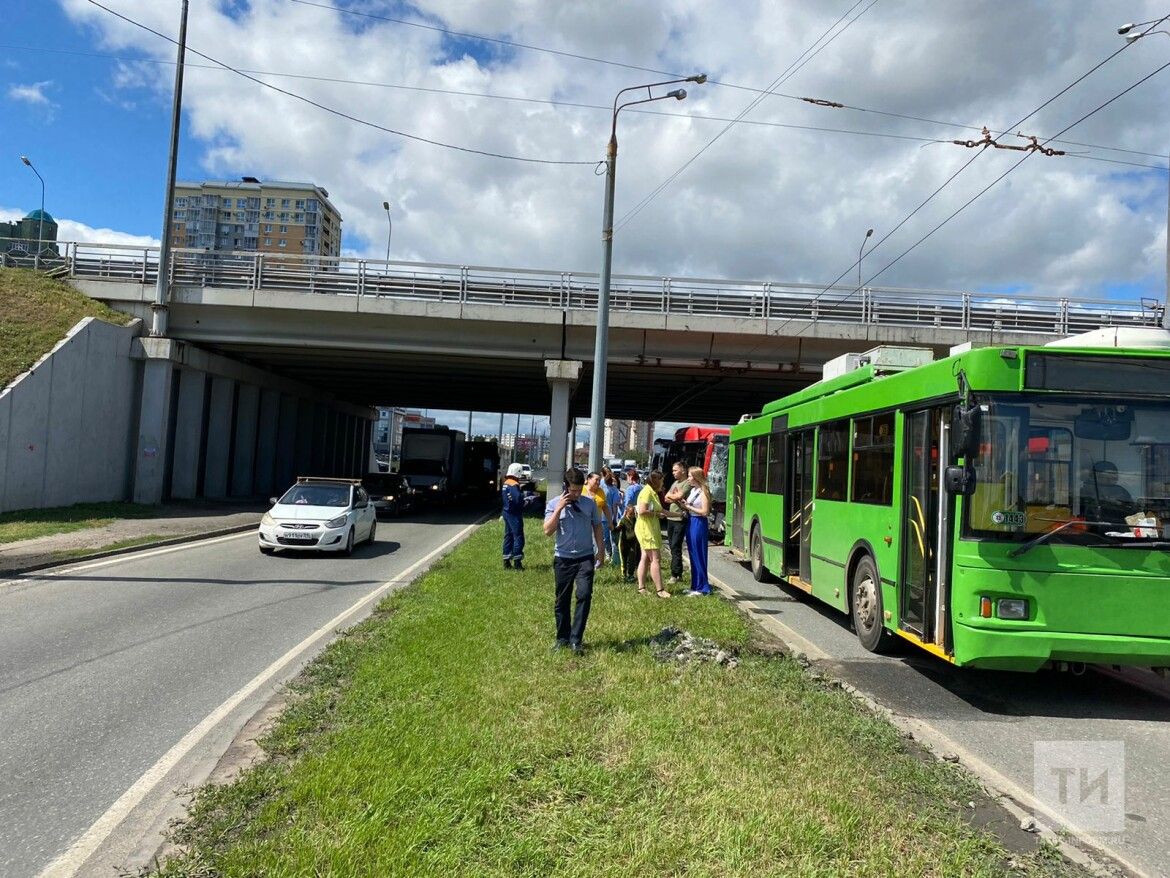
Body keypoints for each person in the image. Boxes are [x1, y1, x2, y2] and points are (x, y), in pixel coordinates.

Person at [543, 467, 606, 654]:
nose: (577, 494)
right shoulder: (554, 503)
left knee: (584, 595)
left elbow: (597, 527)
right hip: (563, 559)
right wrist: (559, 509)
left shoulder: (590, 504)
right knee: (562, 600)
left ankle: (576, 640)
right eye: (573, 490)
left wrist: (600, 550)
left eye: (580, 490)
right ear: (565, 487)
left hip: (584, 558)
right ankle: (562, 637)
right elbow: (547, 531)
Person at [635, 470, 671, 598]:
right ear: (656, 481)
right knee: (655, 559)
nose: (663, 483)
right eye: (661, 480)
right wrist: (657, 515)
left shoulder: (653, 492)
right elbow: (642, 511)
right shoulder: (647, 492)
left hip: (649, 528)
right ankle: (660, 590)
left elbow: (662, 510)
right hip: (647, 529)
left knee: (645, 557)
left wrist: (679, 514)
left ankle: (642, 587)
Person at [683, 466, 713, 596]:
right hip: (691, 521)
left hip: (699, 523)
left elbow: (705, 512)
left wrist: (689, 507)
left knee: (698, 554)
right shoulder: (694, 490)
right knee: (692, 554)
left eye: (690, 476)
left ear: (696, 477)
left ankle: (702, 587)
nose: (688, 478)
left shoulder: (703, 491)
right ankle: (695, 585)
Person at [663, 460, 690, 584]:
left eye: (675, 470)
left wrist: (673, 497)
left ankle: (675, 574)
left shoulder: (687, 483)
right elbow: (666, 498)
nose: (673, 473)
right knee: (672, 546)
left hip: (680, 518)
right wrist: (674, 497)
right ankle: (678, 573)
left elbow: (679, 497)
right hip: (671, 518)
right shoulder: (675, 483)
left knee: (675, 546)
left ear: (683, 470)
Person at [501, 462, 526, 570]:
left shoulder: (506, 483)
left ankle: (506, 559)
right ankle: (517, 561)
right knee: (518, 536)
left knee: (508, 536)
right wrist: (524, 495)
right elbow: (518, 499)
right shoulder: (514, 485)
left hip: (506, 512)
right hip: (514, 513)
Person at [603, 470, 623, 567]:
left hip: (601, 516)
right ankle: (612, 556)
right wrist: (614, 518)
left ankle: (607, 554)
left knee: (605, 537)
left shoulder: (601, 486)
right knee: (612, 538)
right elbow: (615, 506)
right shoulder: (614, 490)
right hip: (610, 517)